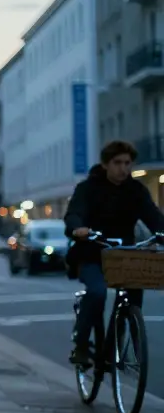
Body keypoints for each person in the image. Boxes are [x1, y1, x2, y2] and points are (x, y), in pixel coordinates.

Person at [64, 140, 164, 367]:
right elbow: (74, 214)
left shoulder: (135, 190)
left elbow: (153, 216)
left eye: (128, 163)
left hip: (123, 254)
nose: (123, 169)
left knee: (133, 294)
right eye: (118, 163)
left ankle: (118, 344)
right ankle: (81, 345)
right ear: (105, 164)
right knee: (97, 292)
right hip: (91, 252)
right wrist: (78, 228)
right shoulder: (87, 188)